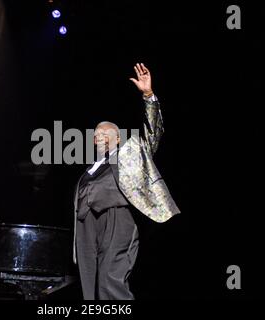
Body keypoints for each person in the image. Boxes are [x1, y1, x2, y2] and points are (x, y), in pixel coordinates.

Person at [73, 63, 180, 300]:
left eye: (105, 131)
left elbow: (154, 134)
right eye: (95, 134)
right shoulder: (90, 168)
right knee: (91, 284)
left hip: (118, 218)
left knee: (111, 280)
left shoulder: (132, 152)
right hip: (89, 224)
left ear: (118, 136)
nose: (98, 135)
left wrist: (148, 96)